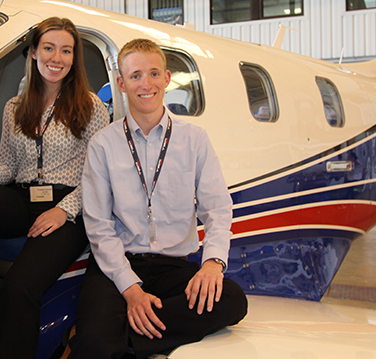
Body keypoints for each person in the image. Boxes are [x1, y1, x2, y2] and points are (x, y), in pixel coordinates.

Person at [69, 39, 248, 359]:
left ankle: (119, 339)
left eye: (153, 73)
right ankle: (114, 338)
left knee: (232, 300)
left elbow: (218, 209)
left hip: (172, 267)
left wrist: (212, 264)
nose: (146, 84)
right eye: (135, 76)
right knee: (94, 343)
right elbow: (98, 226)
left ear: (166, 78)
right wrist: (132, 291)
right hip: (116, 268)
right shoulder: (103, 145)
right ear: (121, 84)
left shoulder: (194, 140)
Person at [0, 17, 110, 359]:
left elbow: (99, 177)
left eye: (66, 50)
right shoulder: (14, 108)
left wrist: (63, 210)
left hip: (69, 208)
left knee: (20, 287)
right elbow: (7, 167)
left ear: (74, 58)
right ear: (33, 52)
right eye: (49, 48)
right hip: (22, 199)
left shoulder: (92, 108)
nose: (56, 58)